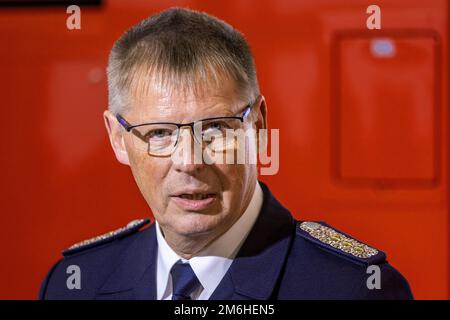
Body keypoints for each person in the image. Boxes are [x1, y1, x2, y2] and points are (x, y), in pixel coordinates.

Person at [39, 7, 413, 300]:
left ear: (259, 125)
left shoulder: (355, 290)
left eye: (216, 128)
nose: (189, 161)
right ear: (118, 139)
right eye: (159, 133)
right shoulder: (74, 285)